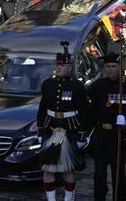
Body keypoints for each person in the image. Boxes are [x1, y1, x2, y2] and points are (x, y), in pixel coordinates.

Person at [37, 42, 89, 201]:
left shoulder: (77, 86)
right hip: (50, 127)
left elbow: (85, 112)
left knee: (68, 169)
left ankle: (68, 198)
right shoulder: (47, 84)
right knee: (48, 169)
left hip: (71, 129)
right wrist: (40, 130)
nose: (59, 68)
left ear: (69, 67)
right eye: (57, 65)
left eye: (62, 66)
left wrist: (82, 135)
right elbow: (42, 108)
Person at [88, 53, 126, 201]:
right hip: (101, 135)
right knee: (99, 175)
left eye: (114, 67)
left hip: (117, 136)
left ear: (120, 68)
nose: (110, 70)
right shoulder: (97, 86)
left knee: (118, 176)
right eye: (108, 67)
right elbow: (89, 108)